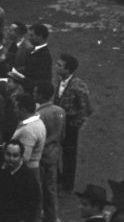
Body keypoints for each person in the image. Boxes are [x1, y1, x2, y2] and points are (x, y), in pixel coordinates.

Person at [53, 53, 92, 194]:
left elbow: (86, 109)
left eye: (59, 65)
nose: (56, 67)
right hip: (60, 121)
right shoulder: (61, 80)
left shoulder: (78, 86)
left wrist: (75, 124)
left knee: (69, 155)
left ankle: (67, 185)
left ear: (68, 70)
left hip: (70, 123)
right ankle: (60, 180)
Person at [33, 82, 65, 222]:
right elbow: (62, 136)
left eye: (35, 92)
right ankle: (52, 217)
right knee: (51, 188)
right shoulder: (60, 111)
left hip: (41, 155)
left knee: (38, 188)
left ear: (40, 95)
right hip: (54, 154)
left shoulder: (39, 114)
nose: (33, 95)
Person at [0, 140, 40, 222]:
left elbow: (33, 205)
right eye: (8, 154)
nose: (11, 159)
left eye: (15, 156)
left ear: (21, 156)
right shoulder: (0, 171)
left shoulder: (28, 177)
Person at [10, 93, 46, 177]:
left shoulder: (29, 130)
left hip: (27, 171)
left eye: (16, 107)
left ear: (23, 109)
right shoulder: (37, 122)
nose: (14, 110)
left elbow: (24, 158)